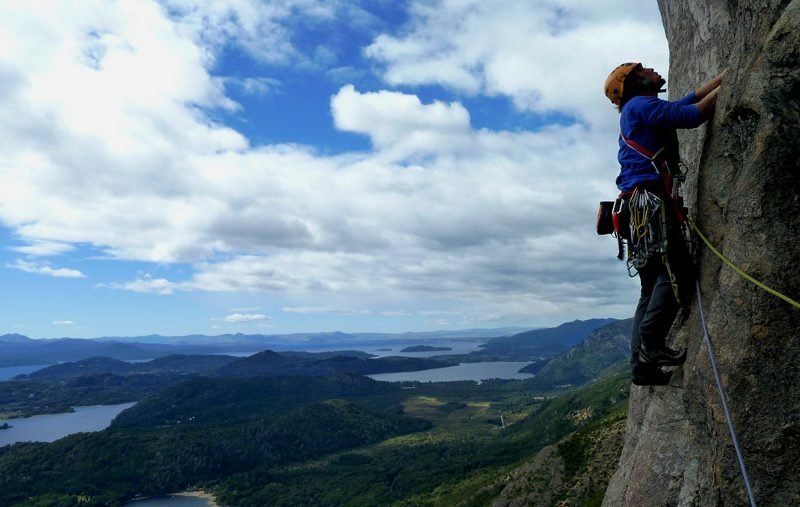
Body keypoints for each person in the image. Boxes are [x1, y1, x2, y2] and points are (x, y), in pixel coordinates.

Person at [604, 62, 724, 386]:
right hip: (650, 205)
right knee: (675, 275)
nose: (652, 69)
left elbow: (686, 101)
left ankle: (640, 367)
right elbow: (692, 115)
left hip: (636, 208)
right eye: (643, 69)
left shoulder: (638, 107)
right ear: (635, 82)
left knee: (649, 286)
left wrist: (727, 75)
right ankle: (652, 344)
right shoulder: (641, 105)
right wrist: (737, 79)